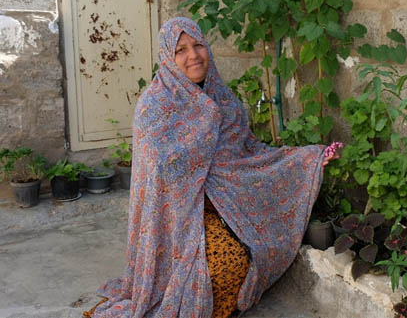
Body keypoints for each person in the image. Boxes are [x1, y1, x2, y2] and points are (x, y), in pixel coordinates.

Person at [87, 17, 340, 318]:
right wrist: (200, 141)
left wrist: (306, 160)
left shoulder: (223, 99)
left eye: (198, 45)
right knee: (217, 268)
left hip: (228, 203)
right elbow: (158, 181)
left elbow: (249, 152)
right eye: (180, 50)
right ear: (168, 58)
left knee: (252, 253)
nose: (193, 55)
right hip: (178, 216)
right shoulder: (153, 107)